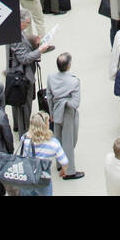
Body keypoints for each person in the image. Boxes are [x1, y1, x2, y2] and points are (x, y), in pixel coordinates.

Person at [6, 12, 51, 132]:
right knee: (24, 107)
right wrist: (39, 50)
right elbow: (24, 58)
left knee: (17, 105)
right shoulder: (16, 36)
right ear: (20, 22)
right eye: (27, 23)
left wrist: (32, 41)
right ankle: (24, 132)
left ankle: (17, 126)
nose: (28, 24)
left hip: (16, 75)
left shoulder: (12, 31)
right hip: (22, 77)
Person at [13, 112, 71, 197]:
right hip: (43, 177)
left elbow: (22, 154)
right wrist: (63, 170)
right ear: (45, 125)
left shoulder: (25, 138)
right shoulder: (53, 143)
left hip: (27, 176)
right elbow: (64, 162)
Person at [47, 53, 83, 181]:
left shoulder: (51, 77)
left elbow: (49, 97)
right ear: (68, 66)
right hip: (68, 113)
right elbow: (75, 103)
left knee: (58, 139)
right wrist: (65, 101)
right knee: (69, 141)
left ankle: (59, 164)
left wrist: (51, 113)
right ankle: (69, 171)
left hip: (56, 111)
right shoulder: (74, 81)